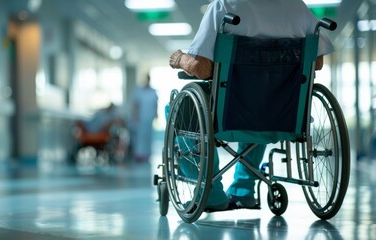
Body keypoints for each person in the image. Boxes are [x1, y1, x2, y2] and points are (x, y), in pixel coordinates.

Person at [168, 0, 334, 210]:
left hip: (230, 113)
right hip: (281, 114)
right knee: (263, 99)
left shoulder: (224, 6)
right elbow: (316, 63)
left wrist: (181, 59)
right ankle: (244, 190)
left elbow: (203, 69)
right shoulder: (297, 7)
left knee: (176, 108)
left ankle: (210, 194)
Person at [131, 74, 158, 163]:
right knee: (140, 137)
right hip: (141, 117)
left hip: (149, 117)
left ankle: (147, 154)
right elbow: (136, 105)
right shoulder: (139, 91)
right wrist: (135, 115)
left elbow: (155, 104)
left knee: (148, 136)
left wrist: (156, 114)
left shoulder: (153, 91)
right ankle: (139, 154)